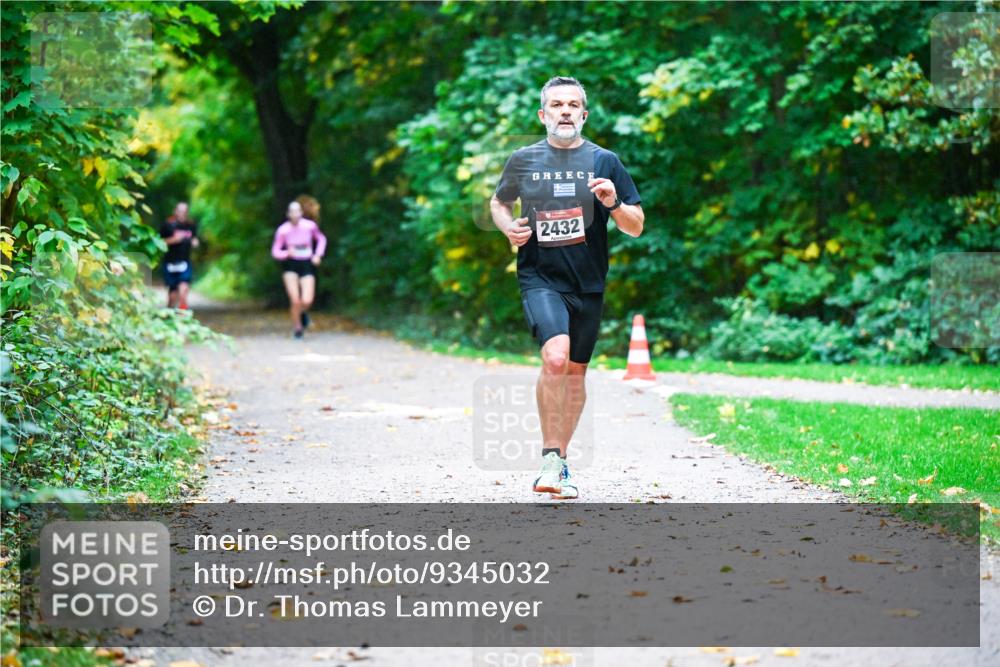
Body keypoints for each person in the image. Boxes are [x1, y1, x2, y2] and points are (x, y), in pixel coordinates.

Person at [490, 76, 644, 500]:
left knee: (576, 372)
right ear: (543, 115)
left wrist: (613, 202)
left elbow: (636, 226)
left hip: (588, 282)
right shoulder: (524, 160)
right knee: (555, 358)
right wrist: (509, 229)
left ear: (584, 114)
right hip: (540, 277)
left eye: (573, 105)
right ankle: (549, 457)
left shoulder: (604, 161)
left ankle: (559, 462)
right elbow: (499, 202)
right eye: (556, 105)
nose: (564, 111)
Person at [271, 200, 327, 338]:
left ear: (301, 213)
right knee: (295, 299)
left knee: (307, 299)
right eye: (292, 212)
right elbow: (275, 251)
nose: (295, 214)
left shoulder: (310, 226)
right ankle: (297, 328)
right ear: (288, 214)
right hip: (290, 264)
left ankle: (303, 313)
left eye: (297, 211)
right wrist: (286, 253)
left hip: (306, 262)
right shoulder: (283, 230)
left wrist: (318, 255)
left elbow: (321, 239)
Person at [160, 201, 199, 309]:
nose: (182, 213)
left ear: (187, 212)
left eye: (185, 211)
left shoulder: (191, 225)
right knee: (173, 295)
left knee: (183, 291)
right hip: (170, 262)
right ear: (175, 211)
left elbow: (194, 238)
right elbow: (159, 242)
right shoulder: (167, 225)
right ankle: (169, 316)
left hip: (184, 262)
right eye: (180, 211)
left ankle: (183, 317)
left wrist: (195, 242)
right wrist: (174, 240)